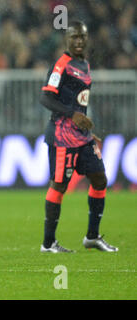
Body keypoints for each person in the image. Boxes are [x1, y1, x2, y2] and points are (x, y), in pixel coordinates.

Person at [40, 21, 118, 253]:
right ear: (67, 40)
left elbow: (77, 100)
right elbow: (46, 98)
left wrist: (82, 123)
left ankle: (92, 237)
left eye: (82, 37)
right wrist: (72, 115)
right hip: (62, 136)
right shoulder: (61, 65)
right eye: (74, 37)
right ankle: (48, 243)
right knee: (59, 186)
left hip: (82, 137)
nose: (79, 41)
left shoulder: (84, 63)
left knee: (100, 179)